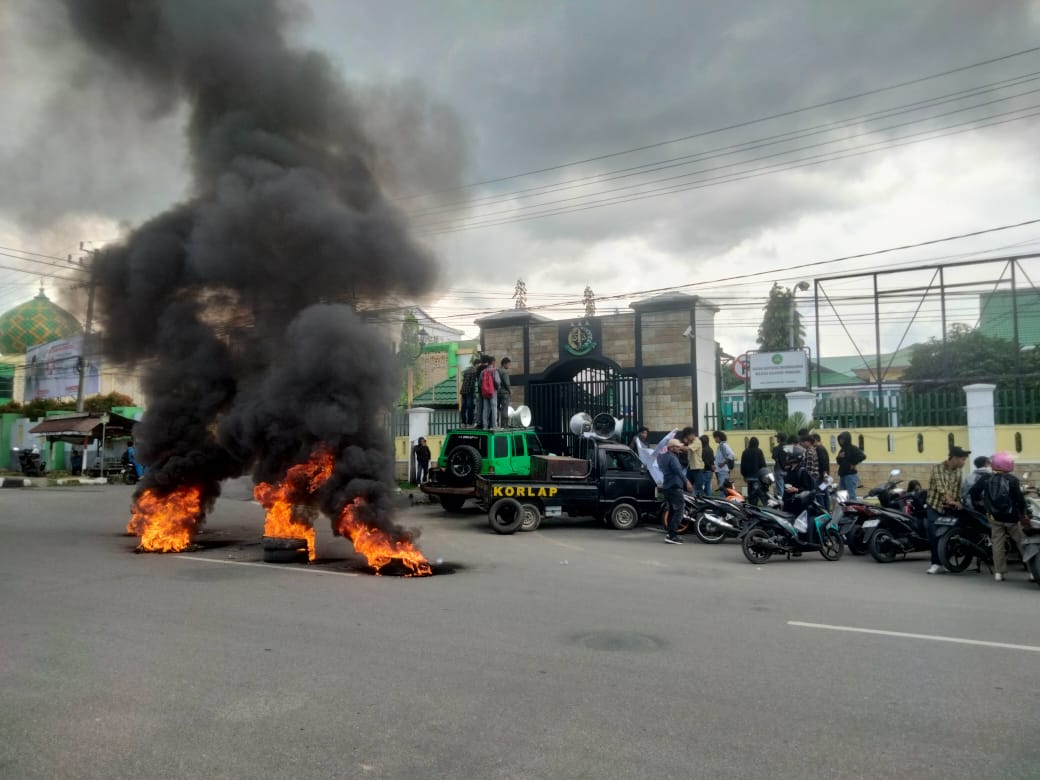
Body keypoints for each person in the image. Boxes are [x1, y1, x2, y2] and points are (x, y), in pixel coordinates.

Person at [969, 452, 1031, 582]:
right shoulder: (1012, 480)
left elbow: (973, 492)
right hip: (1012, 518)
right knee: (1022, 542)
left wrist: (982, 505)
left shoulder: (986, 478)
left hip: (994, 517)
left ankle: (999, 572)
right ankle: (1032, 571)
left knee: (997, 544)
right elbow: (1019, 499)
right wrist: (1023, 513)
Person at [925, 445, 970, 574]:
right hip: (935, 506)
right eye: (962, 459)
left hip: (950, 508)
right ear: (954, 458)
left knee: (950, 535)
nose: (964, 462)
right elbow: (942, 488)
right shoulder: (938, 468)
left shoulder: (959, 471)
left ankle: (945, 561)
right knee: (934, 534)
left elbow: (958, 489)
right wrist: (950, 500)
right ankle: (935, 563)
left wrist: (958, 502)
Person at [657, 438, 692, 545]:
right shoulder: (672, 458)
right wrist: (687, 482)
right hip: (674, 487)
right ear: (671, 448)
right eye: (677, 446)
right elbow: (678, 471)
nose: (679, 448)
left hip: (667, 487)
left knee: (672, 511)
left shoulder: (664, 457)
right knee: (679, 511)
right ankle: (672, 536)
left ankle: (670, 534)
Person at [835, 431, 865, 500]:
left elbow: (862, 456)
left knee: (851, 496)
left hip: (850, 476)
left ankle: (853, 507)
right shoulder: (842, 450)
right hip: (843, 475)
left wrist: (853, 464)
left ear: (846, 439)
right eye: (840, 439)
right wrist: (839, 457)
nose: (840, 441)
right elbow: (839, 462)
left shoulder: (852, 448)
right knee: (842, 496)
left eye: (842, 439)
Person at [739, 437, 767, 505]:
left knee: (751, 494)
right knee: (760, 493)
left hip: (749, 477)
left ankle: (752, 507)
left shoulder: (745, 452)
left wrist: (744, 475)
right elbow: (763, 464)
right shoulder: (759, 451)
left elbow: (742, 465)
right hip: (758, 477)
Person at [479, 356, 500, 429]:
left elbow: (480, 383)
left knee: (485, 409)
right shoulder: (494, 371)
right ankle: (494, 425)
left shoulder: (483, 371)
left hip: (485, 393)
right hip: (493, 392)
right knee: (494, 408)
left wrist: (484, 389)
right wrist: (497, 388)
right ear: (493, 362)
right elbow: (497, 382)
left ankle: (485, 425)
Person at [712, 430, 735, 495]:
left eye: (715, 437)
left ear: (719, 437)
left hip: (723, 470)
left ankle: (723, 500)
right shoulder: (721, 445)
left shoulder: (723, 445)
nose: (715, 439)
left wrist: (723, 463)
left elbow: (731, 454)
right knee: (721, 488)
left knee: (722, 490)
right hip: (720, 470)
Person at [684, 427, 705, 494]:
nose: (687, 438)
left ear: (692, 434)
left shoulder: (697, 441)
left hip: (697, 467)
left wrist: (678, 446)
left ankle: (699, 499)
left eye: (687, 436)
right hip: (690, 467)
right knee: (686, 485)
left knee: (698, 488)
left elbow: (688, 449)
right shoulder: (690, 442)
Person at [459, 358, 478, 427]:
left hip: (463, 390)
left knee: (463, 407)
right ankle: (470, 423)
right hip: (469, 391)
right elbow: (472, 383)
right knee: (470, 407)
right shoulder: (474, 371)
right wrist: (474, 393)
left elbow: (464, 381)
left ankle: (463, 422)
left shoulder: (466, 370)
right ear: (477, 364)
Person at [496, 357, 512, 427]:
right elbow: (507, 383)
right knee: (504, 409)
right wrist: (510, 391)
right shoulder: (505, 372)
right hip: (504, 393)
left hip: (497, 392)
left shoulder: (496, 371)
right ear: (504, 363)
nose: (509, 366)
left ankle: (496, 424)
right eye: (508, 364)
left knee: (496, 409)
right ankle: (504, 425)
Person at [772, 433, 788, 498]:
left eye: (777, 438)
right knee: (788, 487)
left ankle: (781, 500)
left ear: (780, 439)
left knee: (780, 488)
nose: (777, 439)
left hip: (779, 469)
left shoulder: (776, 448)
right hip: (788, 469)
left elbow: (775, 458)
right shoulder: (789, 448)